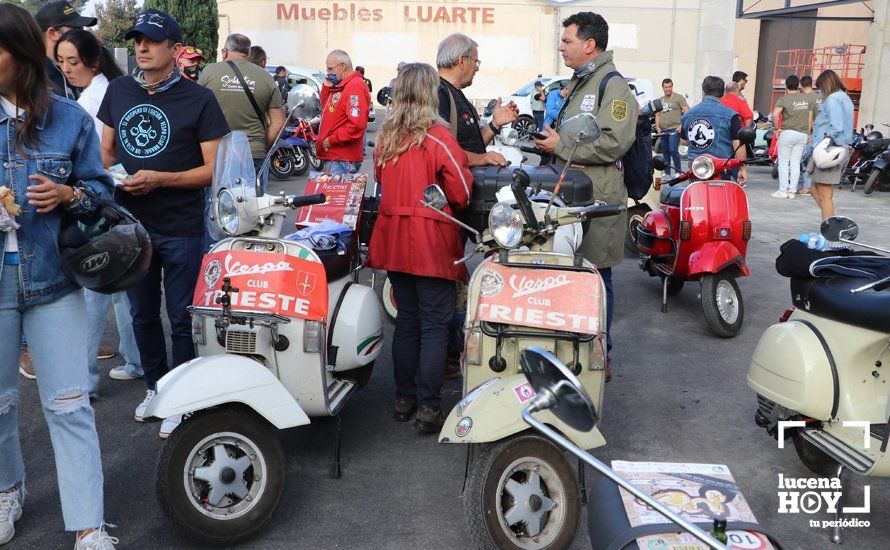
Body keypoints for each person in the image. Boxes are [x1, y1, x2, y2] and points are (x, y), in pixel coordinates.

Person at [0, 5, 118, 548]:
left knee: (69, 404)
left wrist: (69, 193)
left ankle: (90, 525)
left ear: (20, 52)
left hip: (54, 282)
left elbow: (103, 194)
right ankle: (8, 490)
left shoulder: (69, 119)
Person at [97, 9, 229, 438]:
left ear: (175, 50)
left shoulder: (199, 99)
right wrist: (116, 179)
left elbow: (214, 170)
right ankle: (156, 387)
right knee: (140, 315)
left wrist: (162, 179)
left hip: (182, 225)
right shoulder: (119, 91)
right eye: (138, 40)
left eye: (152, 41)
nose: (142, 47)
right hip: (131, 227)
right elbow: (106, 154)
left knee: (181, 316)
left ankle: (183, 398)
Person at [367, 63, 472, 433]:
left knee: (407, 323)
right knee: (434, 326)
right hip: (431, 240)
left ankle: (403, 398)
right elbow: (461, 191)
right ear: (430, 93)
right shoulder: (439, 137)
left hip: (393, 238)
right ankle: (429, 407)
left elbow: (382, 180)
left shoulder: (385, 137)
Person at [534, 11, 637, 374]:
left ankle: (599, 354)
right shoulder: (581, 82)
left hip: (598, 197)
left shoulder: (612, 85)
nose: (561, 47)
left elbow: (614, 141)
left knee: (596, 276)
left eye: (567, 41)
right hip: (573, 193)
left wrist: (560, 144)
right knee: (566, 271)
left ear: (589, 45)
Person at [56, 29, 144, 391]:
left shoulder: (92, 100)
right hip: (114, 200)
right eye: (60, 62)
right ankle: (135, 358)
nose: (65, 69)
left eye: (72, 62)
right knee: (121, 286)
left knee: (94, 290)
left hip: (98, 204)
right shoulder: (107, 90)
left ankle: (86, 379)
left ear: (93, 61)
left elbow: (98, 159)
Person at [199, 34, 284, 189]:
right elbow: (278, 122)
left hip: (218, 154)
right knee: (252, 207)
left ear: (224, 52)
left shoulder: (209, 71)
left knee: (217, 207)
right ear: (248, 53)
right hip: (254, 153)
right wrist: (263, 146)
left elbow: (196, 110)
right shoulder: (265, 77)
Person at [436, 33, 519, 167]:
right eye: (476, 62)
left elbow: (472, 146)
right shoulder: (437, 93)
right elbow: (439, 149)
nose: (477, 68)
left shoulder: (455, 93)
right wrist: (480, 159)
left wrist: (495, 124)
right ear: (461, 60)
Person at [681, 76, 747, 185]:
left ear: (703, 92)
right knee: (721, 200)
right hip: (722, 169)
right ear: (723, 94)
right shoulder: (731, 115)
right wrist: (742, 169)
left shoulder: (688, 114)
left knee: (697, 200)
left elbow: (684, 141)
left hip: (696, 170)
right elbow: (738, 144)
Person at [806, 70, 854, 219]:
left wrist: (825, 141)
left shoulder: (833, 99)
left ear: (825, 85)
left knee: (825, 193)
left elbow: (837, 126)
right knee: (814, 188)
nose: (820, 92)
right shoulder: (845, 98)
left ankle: (830, 229)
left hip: (830, 149)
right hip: (838, 147)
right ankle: (830, 221)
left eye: (820, 88)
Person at [317, 49, 370, 175]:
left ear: (342, 66)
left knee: (336, 195)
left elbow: (356, 125)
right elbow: (327, 110)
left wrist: (332, 140)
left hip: (342, 158)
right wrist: (326, 87)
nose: (328, 73)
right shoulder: (342, 85)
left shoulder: (354, 87)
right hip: (337, 156)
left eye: (330, 69)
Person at [35, 1, 97, 100]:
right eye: (77, 30)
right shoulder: (32, 78)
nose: (83, 35)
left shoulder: (83, 68)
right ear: (52, 34)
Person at [771, 75, 813, 199]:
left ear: (786, 86)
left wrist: (777, 128)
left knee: (783, 162)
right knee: (795, 163)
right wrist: (808, 133)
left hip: (788, 133)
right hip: (802, 134)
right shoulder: (806, 100)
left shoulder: (784, 99)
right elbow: (810, 118)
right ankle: (792, 191)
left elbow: (775, 115)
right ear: (798, 85)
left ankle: (783, 190)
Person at [655, 78, 689, 175]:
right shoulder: (660, 100)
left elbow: (688, 112)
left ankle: (678, 172)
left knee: (673, 149)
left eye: (670, 86)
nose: (668, 89)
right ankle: (667, 173)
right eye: (666, 87)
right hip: (663, 130)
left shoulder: (679, 98)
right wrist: (657, 127)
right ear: (663, 88)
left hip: (675, 129)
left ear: (672, 86)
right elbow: (657, 114)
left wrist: (681, 125)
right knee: (665, 151)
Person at [798, 75, 822, 195]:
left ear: (801, 86)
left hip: (813, 134)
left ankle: (807, 187)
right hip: (824, 134)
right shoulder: (820, 97)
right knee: (818, 161)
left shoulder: (807, 99)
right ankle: (817, 186)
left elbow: (809, 118)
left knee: (805, 160)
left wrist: (807, 134)